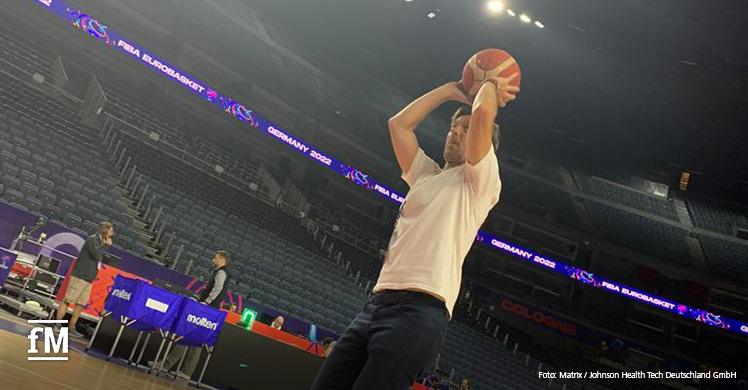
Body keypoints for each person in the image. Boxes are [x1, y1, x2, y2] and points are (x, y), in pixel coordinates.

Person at [310, 73, 518, 390]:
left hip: (419, 312)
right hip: (376, 305)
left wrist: (489, 81)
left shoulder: (479, 183)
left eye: (465, 130)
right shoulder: (425, 175)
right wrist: (450, 90)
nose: (455, 133)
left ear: (486, 144)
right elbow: (398, 124)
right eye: (453, 128)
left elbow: (483, 115)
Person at [152, 250, 231, 380]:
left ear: (222, 260)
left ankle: (170, 367)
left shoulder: (222, 272)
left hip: (207, 310)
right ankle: (180, 370)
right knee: (192, 338)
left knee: (188, 336)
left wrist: (206, 302)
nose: (213, 259)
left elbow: (218, 288)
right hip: (209, 309)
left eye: (215, 258)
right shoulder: (222, 272)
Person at [55, 222, 113, 338]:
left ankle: (71, 327)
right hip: (80, 275)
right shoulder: (92, 240)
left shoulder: (100, 242)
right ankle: (56, 325)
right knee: (68, 300)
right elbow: (96, 255)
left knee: (81, 304)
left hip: (89, 277)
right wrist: (106, 246)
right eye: (111, 231)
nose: (112, 233)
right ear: (105, 230)